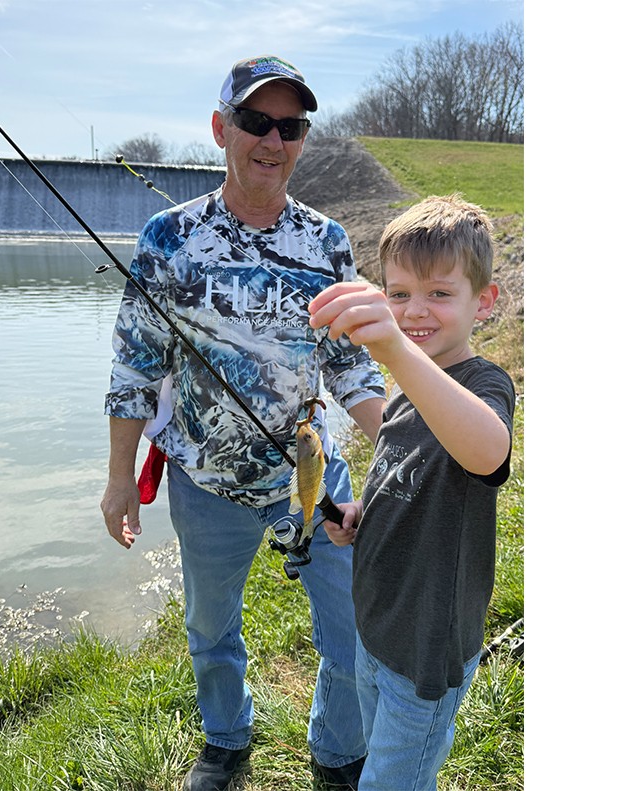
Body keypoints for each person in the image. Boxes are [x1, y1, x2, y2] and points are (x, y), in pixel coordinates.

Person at [100, 55, 386, 791]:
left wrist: (403, 450)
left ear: (301, 139)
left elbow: (349, 366)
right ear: (221, 127)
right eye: (256, 121)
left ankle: (337, 750)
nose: (272, 139)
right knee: (208, 630)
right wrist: (118, 481)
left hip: (314, 475)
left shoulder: (326, 243)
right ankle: (226, 740)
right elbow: (134, 368)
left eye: (289, 126)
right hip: (205, 482)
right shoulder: (169, 237)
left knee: (348, 629)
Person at [308, 193, 517, 791]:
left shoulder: (482, 383)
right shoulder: (404, 390)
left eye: (439, 294)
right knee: (379, 747)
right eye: (398, 294)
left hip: (426, 648)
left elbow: (486, 452)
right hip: (378, 626)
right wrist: (358, 513)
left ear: (484, 302)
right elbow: (402, 478)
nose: (415, 311)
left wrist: (395, 349)